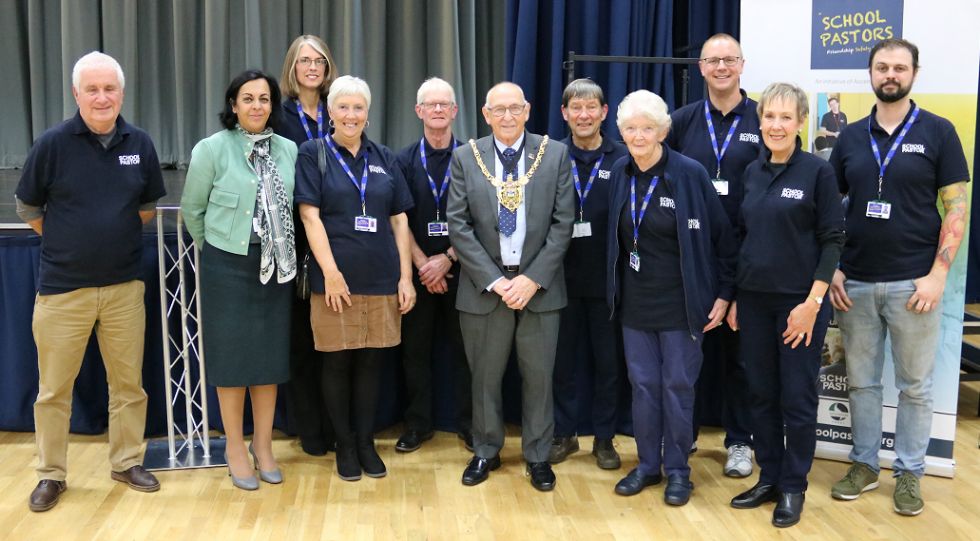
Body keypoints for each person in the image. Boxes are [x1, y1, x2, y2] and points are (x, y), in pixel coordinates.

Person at [15, 51, 165, 511]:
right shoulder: (52, 144)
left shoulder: (140, 143)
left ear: (122, 93)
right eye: (92, 89)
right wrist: (68, 240)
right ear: (76, 94)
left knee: (129, 386)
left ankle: (126, 462)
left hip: (124, 287)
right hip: (63, 289)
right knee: (53, 391)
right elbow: (28, 207)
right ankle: (51, 474)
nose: (102, 98)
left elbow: (146, 208)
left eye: (110, 89)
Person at [828, 38, 970, 517]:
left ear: (914, 73)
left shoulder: (939, 131)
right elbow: (831, 209)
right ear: (870, 73)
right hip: (856, 284)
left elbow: (956, 208)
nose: (890, 74)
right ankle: (864, 465)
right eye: (882, 67)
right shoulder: (851, 136)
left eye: (899, 68)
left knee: (915, 387)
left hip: (915, 285)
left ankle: (909, 472)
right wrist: (835, 268)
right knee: (862, 384)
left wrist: (937, 275)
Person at [606, 90, 735, 505]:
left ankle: (678, 470)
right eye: (630, 128)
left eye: (647, 128)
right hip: (635, 305)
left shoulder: (689, 173)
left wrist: (724, 294)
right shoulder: (620, 172)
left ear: (662, 131)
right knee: (643, 387)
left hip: (683, 305)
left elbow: (722, 238)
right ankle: (647, 465)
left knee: (677, 387)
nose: (638, 136)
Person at [726, 83, 844, 528]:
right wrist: (735, 296)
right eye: (769, 117)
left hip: (800, 306)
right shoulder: (751, 172)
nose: (776, 125)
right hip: (754, 302)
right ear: (761, 122)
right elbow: (743, 237)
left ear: (801, 123)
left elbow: (832, 240)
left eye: (785, 117)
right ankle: (770, 477)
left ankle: (794, 486)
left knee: (796, 397)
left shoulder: (818, 172)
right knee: (760, 394)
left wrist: (813, 303)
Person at [446, 81, 574, 492]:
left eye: (514, 108)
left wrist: (531, 279)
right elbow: (458, 225)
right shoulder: (466, 157)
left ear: (527, 110)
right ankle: (486, 449)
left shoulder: (554, 154)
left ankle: (538, 456)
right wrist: (497, 281)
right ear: (485, 114)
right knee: (484, 377)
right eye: (498, 109)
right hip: (485, 287)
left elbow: (563, 224)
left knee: (539, 377)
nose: (507, 116)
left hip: (540, 287)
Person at [294, 75, 416, 482]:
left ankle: (366, 442)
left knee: (371, 364)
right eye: (343, 107)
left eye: (358, 107)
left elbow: (399, 220)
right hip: (335, 282)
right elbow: (309, 216)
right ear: (330, 112)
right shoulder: (313, 153)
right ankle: (344, 444)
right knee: (336, 363)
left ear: (368, 112)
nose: (351, 115)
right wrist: (331, 274)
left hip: (381, 278)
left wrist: (406, 278)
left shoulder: (384, 157)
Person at [181, 69, 297, 490]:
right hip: (226, 268)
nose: (256, 106)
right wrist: (219, 250)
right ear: (233, 105)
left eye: (264, 99)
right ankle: (234, 447)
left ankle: (262, 445)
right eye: (248, 99)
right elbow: (193, 211)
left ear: (273, 105)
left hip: (275, 268)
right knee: (231, 362)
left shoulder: (288, 150)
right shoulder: (211, 149)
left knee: (268, 361)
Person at [664, 33, 759, 476]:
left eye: (729, 59)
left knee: (741, 357)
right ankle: (685, 435)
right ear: (701, 68)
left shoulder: (763, 118)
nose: (721, 67)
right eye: (713, 60)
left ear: (742, 65)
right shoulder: (682, 121)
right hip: (693, 260)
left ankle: (740, 441)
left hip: (748, 255)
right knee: (690, 355)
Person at [548, 78, 628, 469]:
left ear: (604, 112)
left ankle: (605, 438)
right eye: (575, 108)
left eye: (591, 107)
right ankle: (564, 433)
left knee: (608, 365)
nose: (583, 115)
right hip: (559, 279)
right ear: (564, 113)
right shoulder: (550, 156)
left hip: (608, 282)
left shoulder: (623, 157)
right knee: (561, 363)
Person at [394, 77, 473, 453]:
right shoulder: (403, 160)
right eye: (431, 104)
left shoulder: (473, 158)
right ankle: (417, 425)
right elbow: (397, 217)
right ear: (419, 111)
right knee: (415, 353)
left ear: (455, 111)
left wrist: (448, 258)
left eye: (445, 104)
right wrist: (424, 264)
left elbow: (482, 217)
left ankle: (469, 424)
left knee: (467, 353)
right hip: (417, 273)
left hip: (464, 270)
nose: (438, 109)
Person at [278, 34, 339, 457]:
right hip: (294, 236)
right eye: (304, 61)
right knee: (302, 340)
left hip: (338, 233)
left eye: (319, 60)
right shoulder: (279, 114)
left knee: (335, 341)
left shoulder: (341, 109)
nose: (312, 67)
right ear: (293, 68)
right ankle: (308, 429)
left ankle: (338, 426)